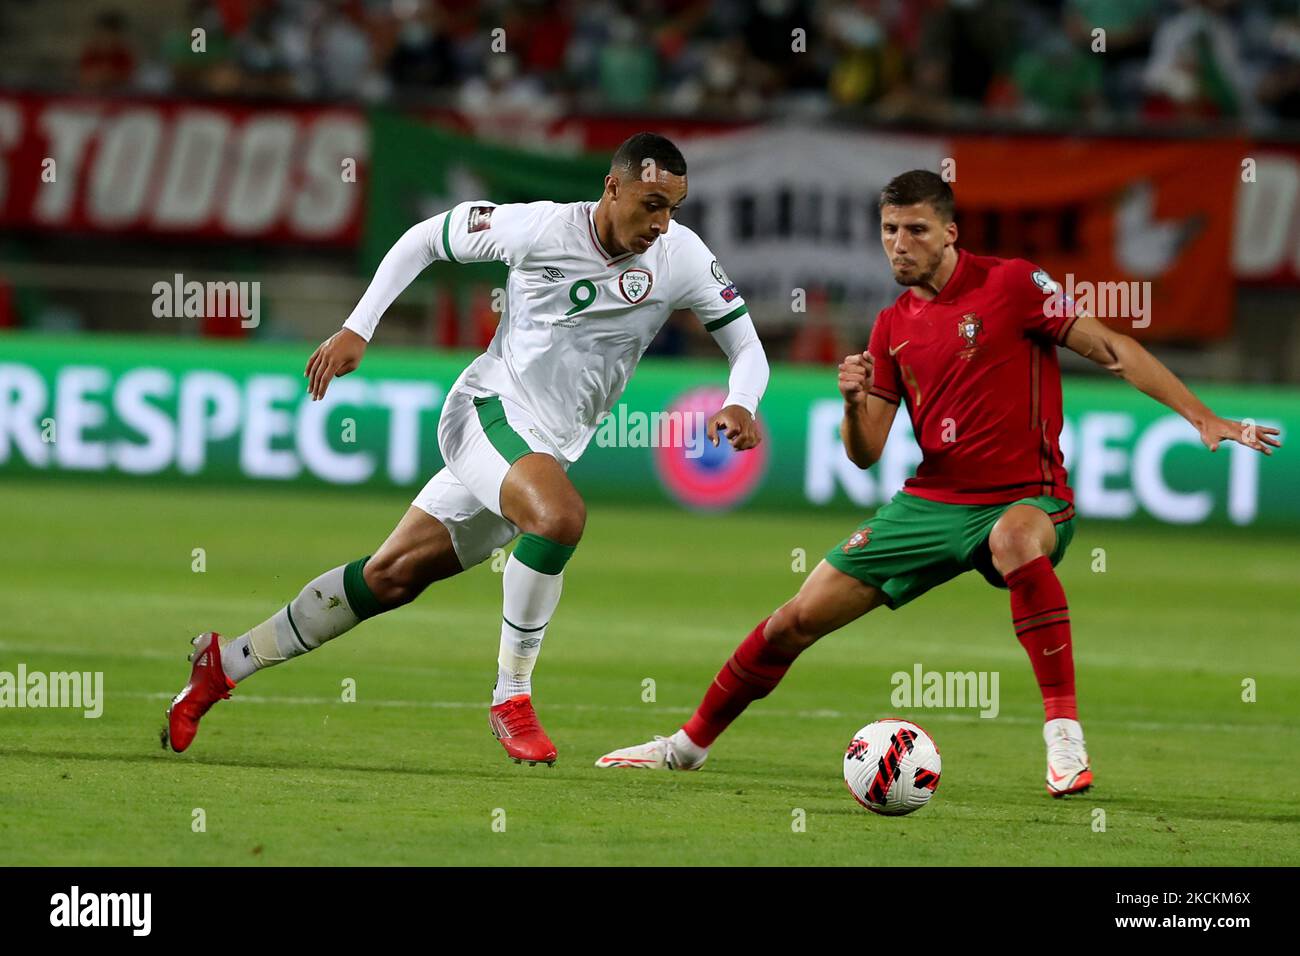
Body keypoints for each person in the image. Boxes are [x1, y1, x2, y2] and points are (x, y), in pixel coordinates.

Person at [597, 169, 1280, 796]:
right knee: (795, 619)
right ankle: (685, 747)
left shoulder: (1011, 284)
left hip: (1026, 496)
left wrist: (1203, 417)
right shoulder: (893, 323)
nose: (900, 244)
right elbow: (866, 454)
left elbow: (1112, 349)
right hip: (932, 502)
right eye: (890, 230)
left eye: (916, 229)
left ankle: (1064, 740)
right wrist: (850, 401)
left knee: (1017, 540)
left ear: (950, 233)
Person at [163, 133, 770, 766]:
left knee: (390, 578)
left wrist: (740, 402)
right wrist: (357, 326)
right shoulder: (538, 229)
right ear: (612, 188)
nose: (662, 222)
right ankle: (511, 698)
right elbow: (426, 238)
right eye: (651, 204)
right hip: (487, 410)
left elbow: (748, 348)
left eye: (673, 207)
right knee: (559, 518)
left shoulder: (682, 257)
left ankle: (223, 663)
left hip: (545, 450)